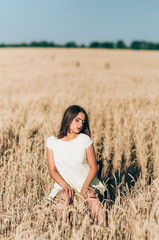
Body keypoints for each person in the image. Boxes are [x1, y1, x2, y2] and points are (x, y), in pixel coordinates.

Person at [46, 105, 106, 225]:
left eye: (83, 122)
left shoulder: (85, 140)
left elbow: (94, 167)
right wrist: (65, 186)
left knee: (90, 194)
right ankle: (60, 232)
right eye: (77, 120)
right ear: (68, 119)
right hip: (64, 185)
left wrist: (84, 188)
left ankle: (104, 231)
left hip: (88, 184)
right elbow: (52, 170)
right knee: (65, 196)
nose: (80, 124)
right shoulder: (52, 142)